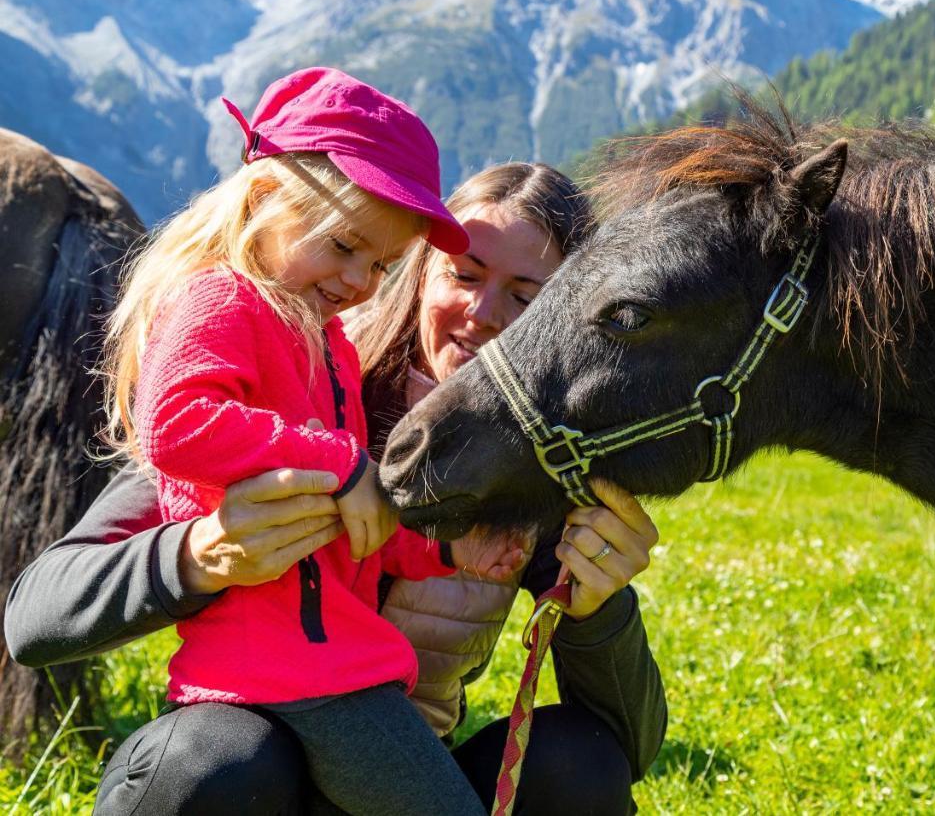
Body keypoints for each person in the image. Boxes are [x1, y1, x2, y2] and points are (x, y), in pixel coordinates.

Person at [5, 155, 667, 811]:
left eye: (526, 297)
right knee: (215, 758)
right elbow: (35, 617)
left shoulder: (543, 466)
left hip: (389, 768)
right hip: (259, 775)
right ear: (419, 274)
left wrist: (599, 607)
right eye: (464, 274)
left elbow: (625, 748)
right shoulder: (287, 385)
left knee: (576, 764)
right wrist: (196, 556)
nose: (485, 311)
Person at [98, 65, 530, 815]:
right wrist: (338, 460)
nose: (360, 279)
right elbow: (176, 422)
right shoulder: (219, 297)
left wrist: (444, 549)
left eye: (381, 264)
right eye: (343, 246)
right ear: (266, 197)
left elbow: (351, 523)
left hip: (323, 661)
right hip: (293, 666)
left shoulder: (329, 344)